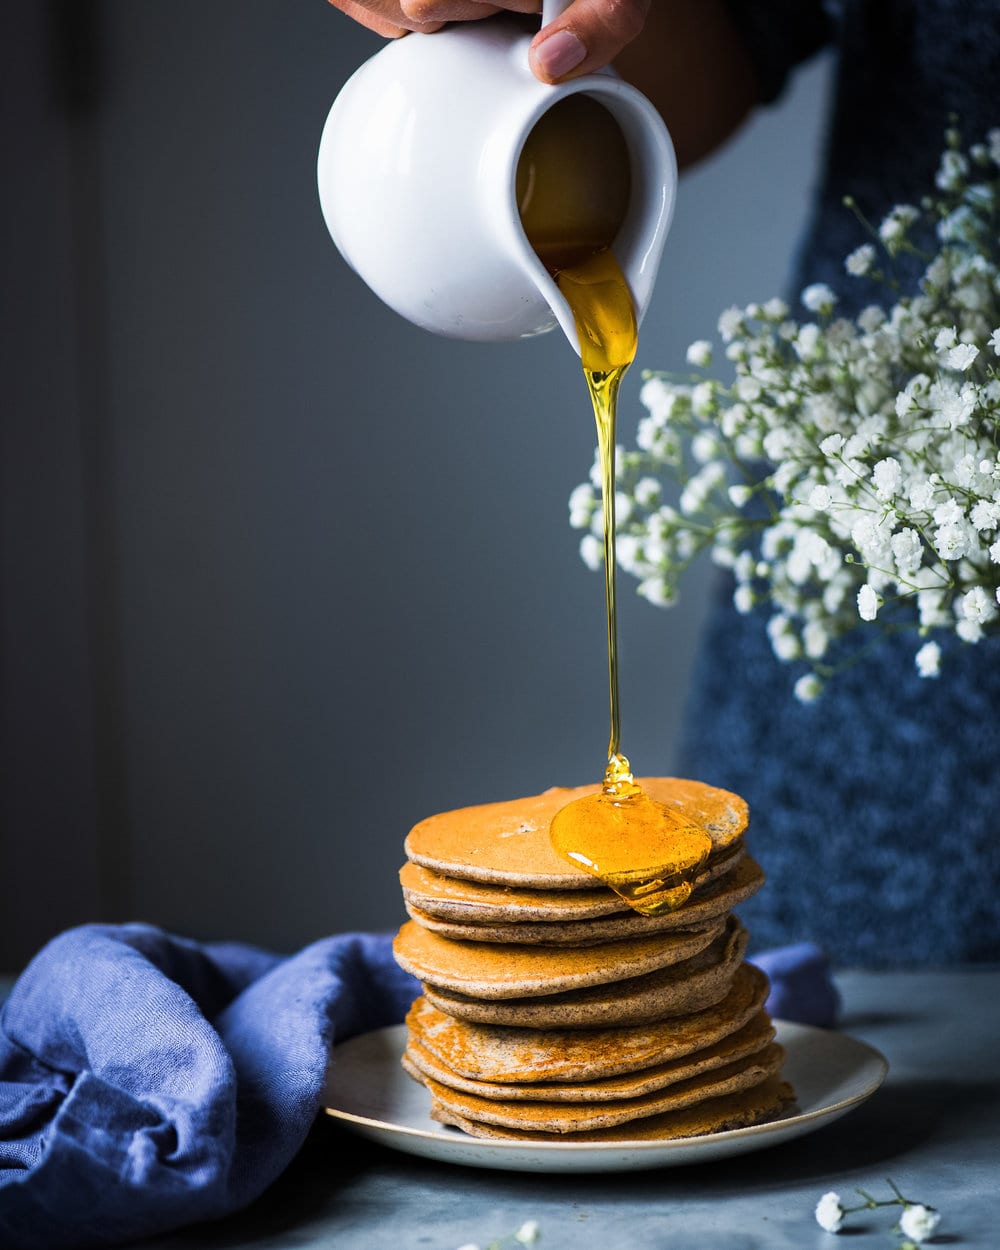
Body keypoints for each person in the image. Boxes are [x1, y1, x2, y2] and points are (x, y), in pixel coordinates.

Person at [324, 0, 1000, 967]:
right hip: (881, 636)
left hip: (894, 640)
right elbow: (731, 35)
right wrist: (577, 23)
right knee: (784, 1009)